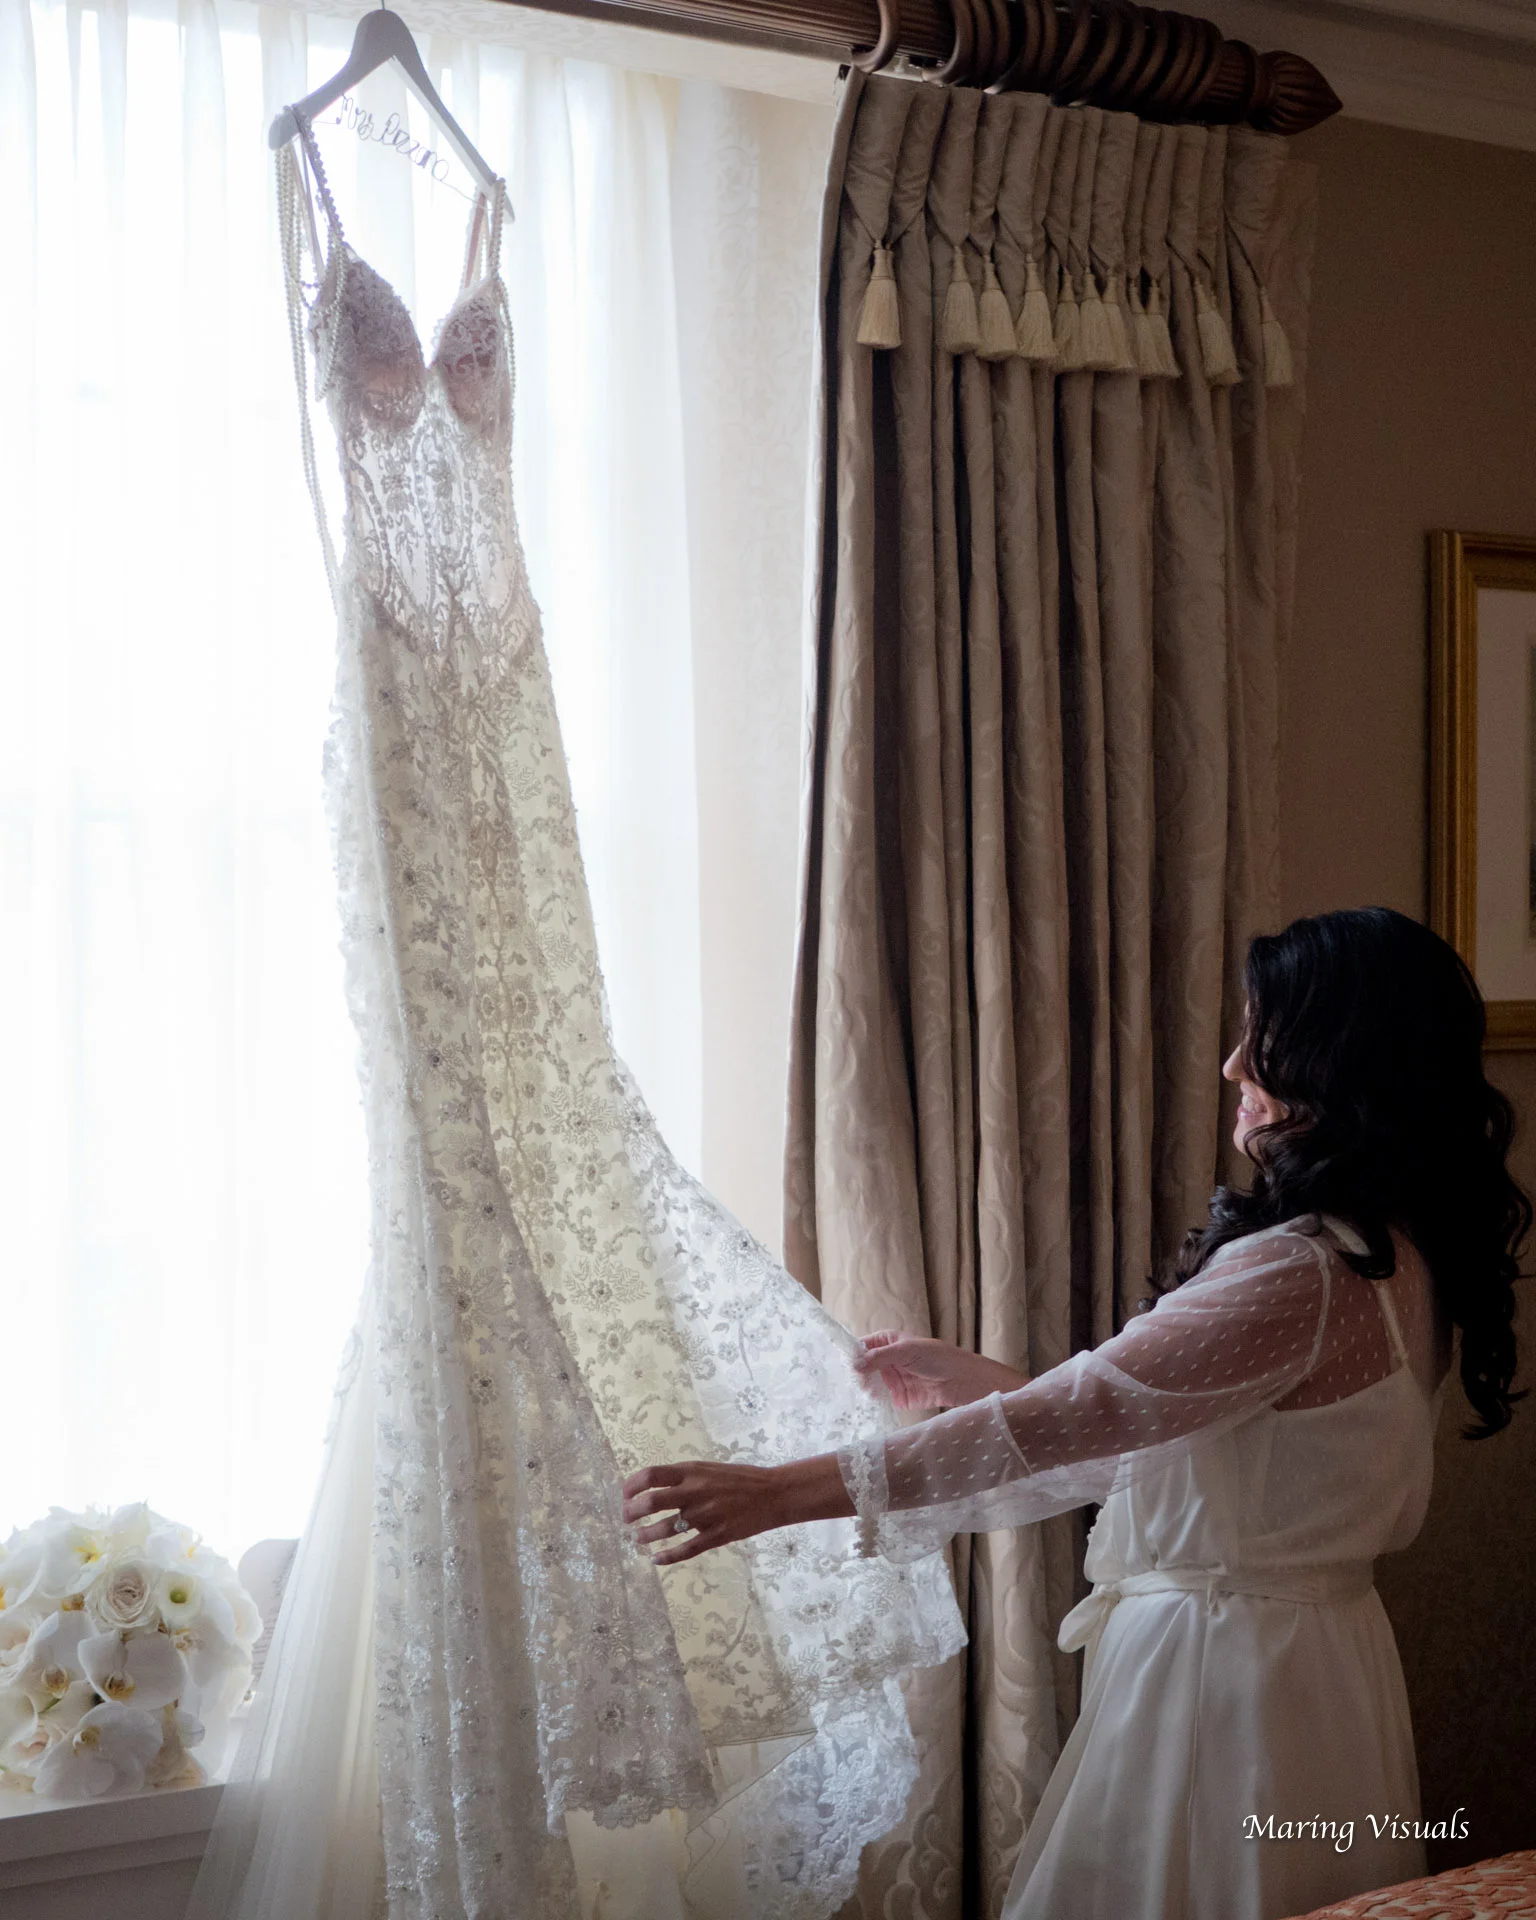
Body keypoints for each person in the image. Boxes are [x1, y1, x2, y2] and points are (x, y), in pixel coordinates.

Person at [622, 907, 1529, 1920]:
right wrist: (979, 1378)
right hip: (1323, 1669)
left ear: (1337, 1057)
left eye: (1258, 1036)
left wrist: (775, 1492)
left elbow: (1094, 1410)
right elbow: (1178, 1431)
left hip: (1221, 1679)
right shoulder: (1399, 1250)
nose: (1232, 1066)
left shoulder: (1301, 1270)